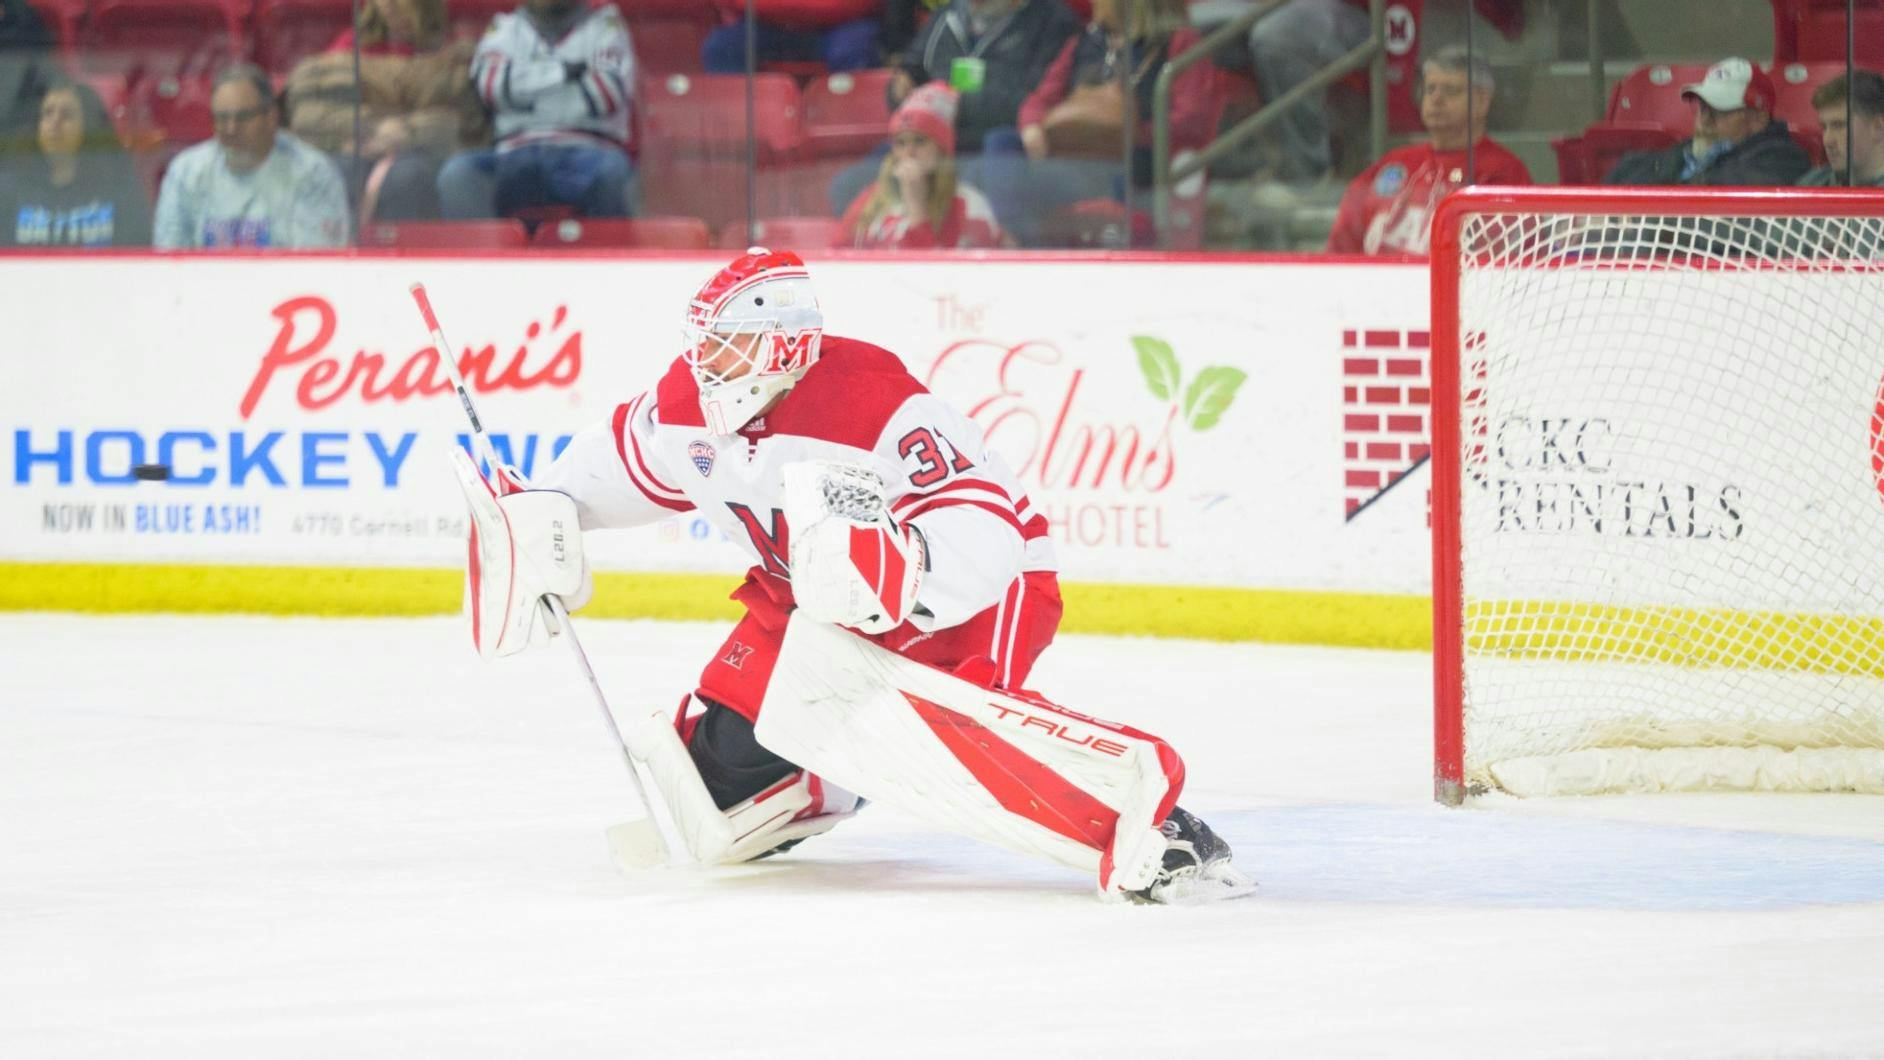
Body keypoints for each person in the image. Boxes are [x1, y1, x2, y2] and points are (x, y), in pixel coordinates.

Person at [475, 247, 1252, 904]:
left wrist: (903, 575)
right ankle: (832, 778)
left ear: (784, 347)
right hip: (810, 593)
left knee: (948, 730)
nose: (703, 364)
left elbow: (989, 527)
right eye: (702, 344)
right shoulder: (686, 403)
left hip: (969, 591)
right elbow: (619, 463)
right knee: (719, 782)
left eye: (727, 347)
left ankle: (1158, 827)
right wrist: (547, 510)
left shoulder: (872, 404)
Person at [986, 0, 1215, 246]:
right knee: (1002, 141)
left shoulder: (1178, 42)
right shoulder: (1085, 41)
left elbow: (1192, 119)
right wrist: (1032, 127)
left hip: (1134, 160)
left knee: (1126, 169)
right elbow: (1040, 99)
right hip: (1070, 156)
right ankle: (1012, 242)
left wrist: (1132, 135)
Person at [828, 0, 1080, 214]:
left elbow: (1037, 103)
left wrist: (957, 102)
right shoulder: (947, 16)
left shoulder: (1055, 21)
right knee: (847, 190)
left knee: (988, 175)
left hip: (999, 148)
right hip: (933, 142)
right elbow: (913, 68)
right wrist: (901, 85)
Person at [284, 0, 486, 221]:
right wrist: (372, 130)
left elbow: (467, 125)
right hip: (357, 149)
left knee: (409, 177)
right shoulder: (345, 50)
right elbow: (311, 116)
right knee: (337, 171)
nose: (389, 5)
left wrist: (409, 133)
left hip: (425, 158)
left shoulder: (456, 55)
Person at [436, 0, 635, 221]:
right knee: (459, 174)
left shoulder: (604, 26)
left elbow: (606, 95)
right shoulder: (504, 28)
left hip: (588, 152)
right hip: (513, 154)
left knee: (614, 172)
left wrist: (523, 98)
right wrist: (567, 73)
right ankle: (483, 256)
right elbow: (492, 88)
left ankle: (606, 255)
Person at [1326, 45, 1529, 256]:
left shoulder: (1503, 172)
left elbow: (1499, 262)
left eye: (1451, 90)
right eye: (1430, 89)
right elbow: (1340, 248)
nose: (1436, 99)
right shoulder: (1393, 164)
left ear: (1482, 102)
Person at [153, 64, 350, 249]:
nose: (230, 129)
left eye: (242, 117)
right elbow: (169, 256)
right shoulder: (185, 172)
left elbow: (316, 262)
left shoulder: (313, 173)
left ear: (271, 117)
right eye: (222, 118)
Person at [838, 83, 1007, 248]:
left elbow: (937, 273)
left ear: (941, 150)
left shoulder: (968, 205)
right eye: (901, 143)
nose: (909, 152)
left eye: (920, 141)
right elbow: (838, 252)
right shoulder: (871, 197)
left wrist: (916, 207)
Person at [1605, 57, 1811, 187]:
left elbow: (1722, 197)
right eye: (1702, 108)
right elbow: (1624, 172)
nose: (1705, 120)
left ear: (1759, 118)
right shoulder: (1688, 152)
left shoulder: (1783, 161)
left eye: (1719, 110)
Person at [0, 77, 151, 246]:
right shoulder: (10, 190)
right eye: (48, 113)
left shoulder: (119, 189)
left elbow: (137, 254)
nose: (55, 122)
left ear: (87, 128)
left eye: (67, 115)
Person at [702, 0, 883, 75]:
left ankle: (852, 140)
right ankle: (740, 134)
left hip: (842, 24)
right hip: (767, 24)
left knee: (854, 49)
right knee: (721, 47)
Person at [1799, 68, 1884, 187]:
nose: (1827, 141)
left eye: (1839, 126)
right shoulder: (1812, 183)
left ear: (1878, 128)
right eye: (1824, 127)